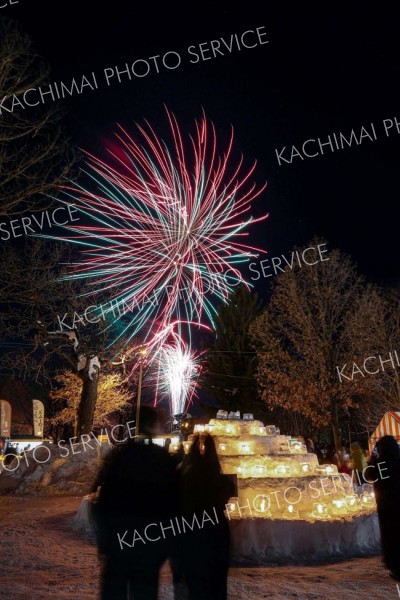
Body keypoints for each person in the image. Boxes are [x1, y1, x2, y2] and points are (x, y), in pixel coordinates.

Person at [92, 405, 179, 600]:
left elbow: (104, 499)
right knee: (145, 592)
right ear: (154, 425)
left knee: (115, 591)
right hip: (149, 543)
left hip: (119, 539)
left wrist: (105, 540)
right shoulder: (163, 460)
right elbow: (174, 504)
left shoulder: (119, 456)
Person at [178, 433, 234, 600]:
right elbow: (228, 491)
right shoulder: (219, 479)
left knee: (195, 585)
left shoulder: (187, 478)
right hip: (217, 533)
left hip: (193, 533)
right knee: (217, 584)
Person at [365, 435, 400, 581]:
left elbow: (368, 475)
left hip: (387, 506)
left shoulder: (380, 464)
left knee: (391, 536)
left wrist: (372, 459)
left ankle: (396, 566)